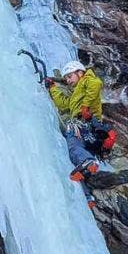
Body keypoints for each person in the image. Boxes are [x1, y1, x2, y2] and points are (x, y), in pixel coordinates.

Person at [45, 59, 117, 202]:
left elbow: (96, 85)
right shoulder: (75, 94)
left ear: (80, 73)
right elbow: (63, 104)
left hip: (84, 125)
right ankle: (87, 197)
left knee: (73, 146)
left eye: (70, 76)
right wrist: (52, 88)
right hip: (88, 134)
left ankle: (88, 162)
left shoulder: (87, 80)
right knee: (74, 160)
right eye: (66, 78)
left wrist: (85, 106)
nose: (68, 80)